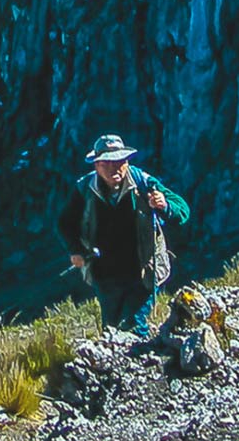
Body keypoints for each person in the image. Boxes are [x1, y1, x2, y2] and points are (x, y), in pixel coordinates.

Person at [57, 132, 190, 334]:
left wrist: (165, 206)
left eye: (119, 161)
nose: (113, 167)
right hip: (105, 273)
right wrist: (75, 249)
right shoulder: (84, 188)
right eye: (106, 163)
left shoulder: (143, 182)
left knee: (135, 324)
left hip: (144, 269)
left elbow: (182, 210)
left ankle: (139, 362)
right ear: (96, 165)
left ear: (127, 162)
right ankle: (121, 363)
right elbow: (64, 223)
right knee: (111, 328)